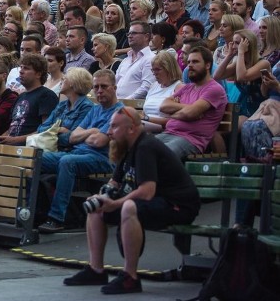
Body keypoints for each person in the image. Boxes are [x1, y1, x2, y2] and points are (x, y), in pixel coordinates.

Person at [63, 106, 200, 295]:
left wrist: (115, 203)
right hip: (155, 202)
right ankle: (96, 270)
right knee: (96, 208)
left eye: (114, 127)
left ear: (132, 128)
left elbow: (147, 192)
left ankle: (130, 277)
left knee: (128, 206)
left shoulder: (146, 146)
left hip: (178, 206)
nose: (109, 132)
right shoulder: (127, 147)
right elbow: (114, 183)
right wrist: (103, 196)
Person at [38, 70, 122, 233]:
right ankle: (32, 213)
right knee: (35, 157)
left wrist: (86, 134)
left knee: (67, 162)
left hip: (102, 159)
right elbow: (72, 137)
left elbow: (99, 142)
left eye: (104, 87)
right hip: (77, 153)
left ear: (114, 88)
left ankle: (57, 218)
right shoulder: (95, 110)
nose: (99, 91)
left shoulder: (118, 112)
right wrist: (93, 131)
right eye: (96, 87)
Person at [0, 54, 60, 145]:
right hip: (10, 147)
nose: (21, 71)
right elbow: (12, 127)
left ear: (38, 74)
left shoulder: (47, 95)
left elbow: (46, 130)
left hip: (30, 149)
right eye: (21, 67)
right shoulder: (20, 97)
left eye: (26, 68)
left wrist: (16, 140)